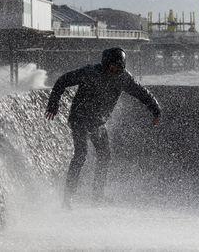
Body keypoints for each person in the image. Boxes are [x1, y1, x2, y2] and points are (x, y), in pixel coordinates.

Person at [45, 47, 161, 208]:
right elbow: (62, 81)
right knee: (81, 154)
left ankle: (97, 196)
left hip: (97, 122)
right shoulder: (90, 72)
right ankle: (67, 198)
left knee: (105, 155)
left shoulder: (123, 78)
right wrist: (53, 103)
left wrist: (156, 110)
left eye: (119, 67)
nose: (115, 70)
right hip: (79, 119)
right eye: (112, 66)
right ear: (105, 63)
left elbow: (141, 93)